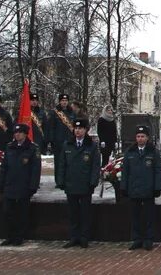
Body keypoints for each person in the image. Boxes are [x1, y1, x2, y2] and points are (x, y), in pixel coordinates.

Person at [56, 118, 100, 248]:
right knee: (73, 213)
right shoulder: (67, 144)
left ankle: (84, 237)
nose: (78, 131)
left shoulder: (91, 146)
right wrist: (61, 180)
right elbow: (62, 164)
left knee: (85, 213)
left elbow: (95, 166)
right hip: (71, 183)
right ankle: (74, 237)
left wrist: (93, 182)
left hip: (85, 184)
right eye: (76, 128)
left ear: (86, 130)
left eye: (80, 128)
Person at [0, 123, 41, 246]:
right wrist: (1, 182)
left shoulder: (32, 148)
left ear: (25, 134)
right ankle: (10, 236)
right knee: (8, 213)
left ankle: (19, 237)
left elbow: (35, 169)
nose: (17, 134)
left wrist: (33, 186)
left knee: (21, 214)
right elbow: (4, 167)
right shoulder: (10, 147)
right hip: (10, 185)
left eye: (19, 132)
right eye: (15, 132)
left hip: (24, 186)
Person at [122, 125, 161, 251]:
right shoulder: (130, 152)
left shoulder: (153, 152)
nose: (140, 139)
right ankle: (137, 239)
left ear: (147, 138)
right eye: (138, 136)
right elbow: (125, 171)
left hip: (148, 189)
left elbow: (158, 171)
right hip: (134, 189)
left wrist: (157, 188)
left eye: (143, 136)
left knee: (148, 216)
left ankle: (148, 239)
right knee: (135, 216)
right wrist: (124, 187)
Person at [47, 94, 75, 188]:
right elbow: (51, 127)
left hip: (69, 141)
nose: (64, 102)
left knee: (69, 162)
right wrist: (51, 140)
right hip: (58, 141)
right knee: (59, 162)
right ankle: (59, 182)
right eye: (62, 100)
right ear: (59, 101)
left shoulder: (72, 112)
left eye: (66, 100)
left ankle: (67, 180)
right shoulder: (54, 112)